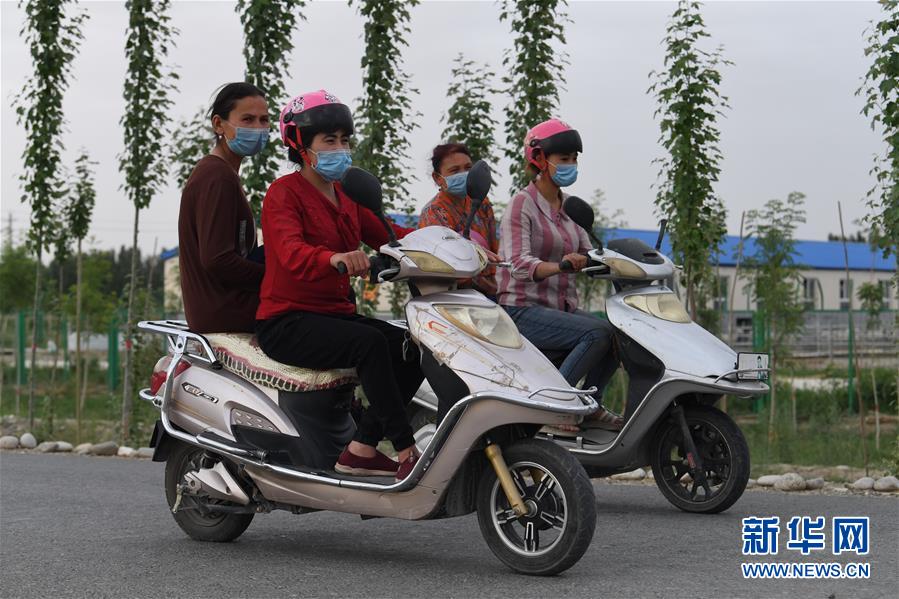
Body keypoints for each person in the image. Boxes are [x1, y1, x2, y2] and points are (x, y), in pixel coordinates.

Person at [255, 89, 423, 481]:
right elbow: (291, 250)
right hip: (287, 322)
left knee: (414, 344)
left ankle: (362, 448)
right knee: (371, 344)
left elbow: (388, 234)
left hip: (334, 316)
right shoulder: (283, 194)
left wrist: (447, 244)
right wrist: (333, 258)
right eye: (329, 140)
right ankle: (406, 449)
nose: (340, 148)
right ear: (300, 144)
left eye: (344, 140)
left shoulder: (346, 195)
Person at [497, 118, 623, 431]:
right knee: (597, 333)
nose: (571, 165)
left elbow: (586, 252)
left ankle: (590, 404)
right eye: (564, 159)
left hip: (558, 309)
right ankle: (557, 405)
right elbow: (517, 263)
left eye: (574, 159)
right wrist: (561, 266)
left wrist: (618, 262)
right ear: (539, 160)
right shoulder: (521, 205)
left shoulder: (570, 206)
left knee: (621, 335)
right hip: (520, 309)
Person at [178, 82, 269, 333]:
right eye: (248, 120)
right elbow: (218, 260)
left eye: (264, 120)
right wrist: (276, 279)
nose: (258, 129)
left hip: (223, 305)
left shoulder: (221, 172)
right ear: (219, 124)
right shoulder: (217, 177)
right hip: (225, 310)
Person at [418, 143, 499, 297]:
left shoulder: (482, 203)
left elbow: (495, 252)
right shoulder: (434, 212)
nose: (465, 174)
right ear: (437, 178)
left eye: (468, 168)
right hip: (453, 298)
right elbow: (445, 264)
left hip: (490, 292)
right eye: (454, 170)